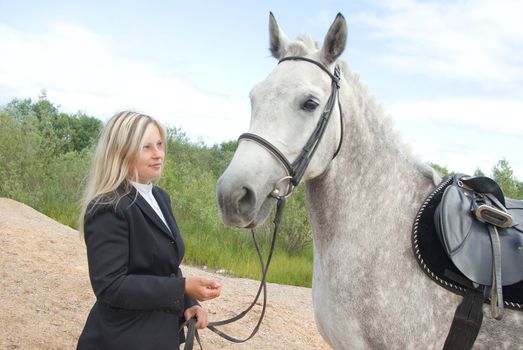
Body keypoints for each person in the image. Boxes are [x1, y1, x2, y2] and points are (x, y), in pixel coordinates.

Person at [77, 111, 221, 349]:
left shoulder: (159, 197)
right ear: (121, 151)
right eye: (146, 147)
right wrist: (182, 286)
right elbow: (111, 287)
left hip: (161, 335)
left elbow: (165, 266)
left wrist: (188, 301)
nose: (158, 154)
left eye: (159, 144)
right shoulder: (108, 206)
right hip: (122, 339)